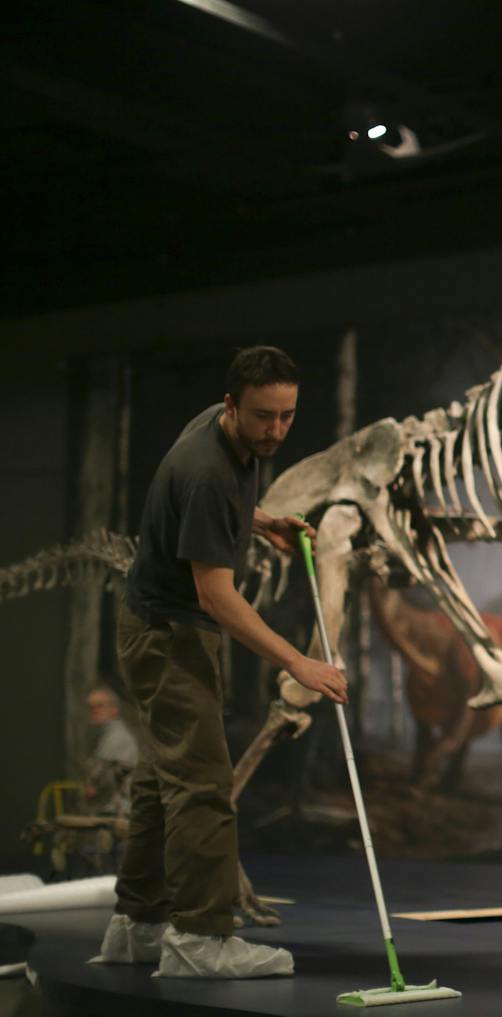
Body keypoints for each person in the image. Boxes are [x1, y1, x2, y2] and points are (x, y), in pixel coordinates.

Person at [92, 346, 347, 979]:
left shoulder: (224, 431)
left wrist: (258, 523)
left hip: (165, 622)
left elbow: (207, 513)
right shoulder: (208, 468)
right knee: (204, 785)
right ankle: (200, 940)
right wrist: (300, 665)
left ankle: (138, 925)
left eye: (288, 416)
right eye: (265, 417)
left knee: (161, 781)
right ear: (233, 405)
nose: (277, 431)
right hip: (170, 631)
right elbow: (217, 595)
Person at [82, 686, 139, 818]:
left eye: (99, 706)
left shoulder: (117, 736)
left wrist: (91, 786)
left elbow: (95, 783)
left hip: (117, 813)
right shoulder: (104, 736)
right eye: (91, 707)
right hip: (110, 810)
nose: (94, 711)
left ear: (114, 709)